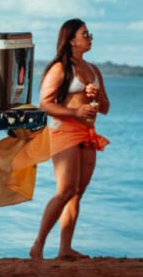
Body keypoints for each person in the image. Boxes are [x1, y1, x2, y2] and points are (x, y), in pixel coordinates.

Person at [30, 18, 110, 261]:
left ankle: (65, 249)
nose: (90, 37)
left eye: (89, 33)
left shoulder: (93, 70)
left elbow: (105, 108)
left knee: (77, 193)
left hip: (88, 133)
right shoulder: (60, 68)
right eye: (85, 33)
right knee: (65, 190)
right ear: (71, 39)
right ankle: (38, 245)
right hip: (63, 131)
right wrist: (76, 112)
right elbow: (45, 104)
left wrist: (97, 96)